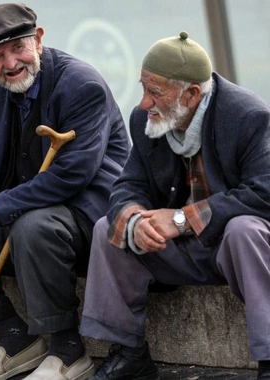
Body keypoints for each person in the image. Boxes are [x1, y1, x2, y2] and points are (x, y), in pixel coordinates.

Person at [0, 3, 130, 380]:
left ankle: (67, 350)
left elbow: (72, 175)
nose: (10, 63)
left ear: (39, 39)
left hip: (86, 214)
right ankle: (17, 340)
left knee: (31, 226)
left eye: (18, 48)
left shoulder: (81, 85)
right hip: (26, 211)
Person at [79, 31, 270, 380]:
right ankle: (129, 352)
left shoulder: (247, 116)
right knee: (110, 227)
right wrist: (135, 219)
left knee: (245, 229)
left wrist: (182, 219)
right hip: (182, 251)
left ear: (192, 93)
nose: (143, 103)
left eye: (155, 92)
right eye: (143, 88)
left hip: (234, 249)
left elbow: (264, 192)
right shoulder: (147, 121)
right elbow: (127, 184)